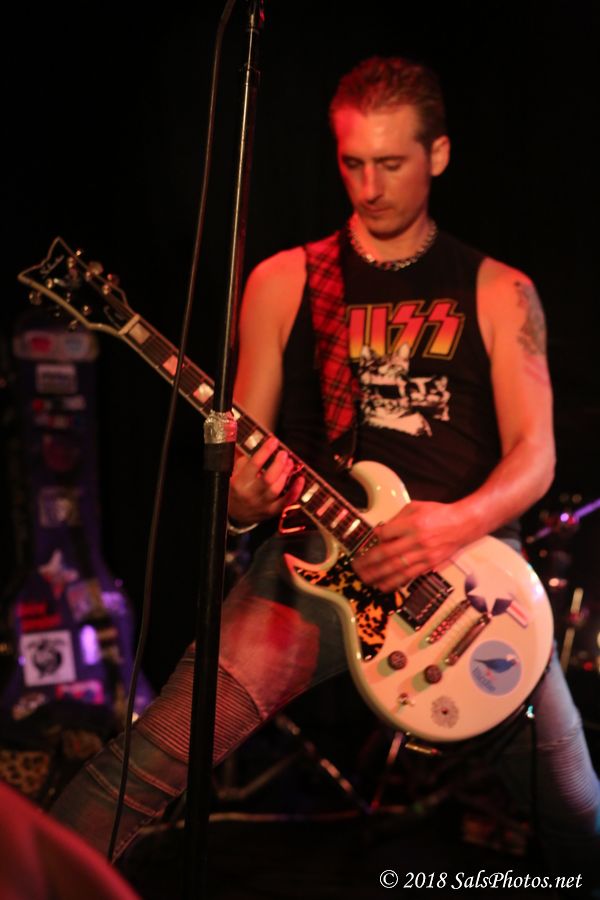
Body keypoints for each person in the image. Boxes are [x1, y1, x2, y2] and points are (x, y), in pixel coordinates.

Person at [51, 56, 599, 880]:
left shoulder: (498, 289)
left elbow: (537, 455)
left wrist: (449, 525)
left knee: (576, 809)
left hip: (468, 579)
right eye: (352, 163)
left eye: (392, 163)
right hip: (313, 566)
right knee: (144, 765)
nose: (370, 187)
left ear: (438, 154)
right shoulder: (283, 280)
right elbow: (245, 462)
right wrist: (243, 498)